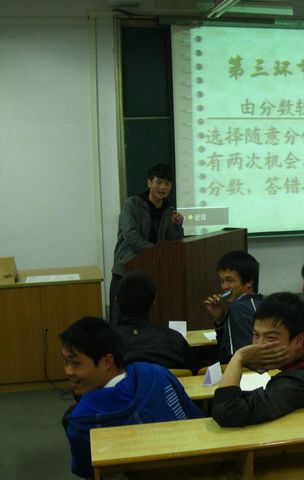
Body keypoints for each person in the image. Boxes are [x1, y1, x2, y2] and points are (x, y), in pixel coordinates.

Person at [60, 317, 202, 478]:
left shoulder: (81, 421)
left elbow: (85, 470)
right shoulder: (159, 373)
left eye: (76, 364)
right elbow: (195, 417)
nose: (68, 371)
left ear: (107, 362)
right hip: (194, 470)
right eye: (65, 362)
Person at [211, 292, 304, 427]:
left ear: (298, 340)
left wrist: (238, 358)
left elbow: (227, 411)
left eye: (270, 337)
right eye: (256, 335)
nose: (259, 345)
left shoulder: (298, 382)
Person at [109, 164, 184, 324]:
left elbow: (173, 243)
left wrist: (177, 225)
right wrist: (156, 251)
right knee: (119, 320)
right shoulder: (132, 204)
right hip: (126, 270)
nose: (162, 187)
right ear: (149, 183)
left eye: (167, 183)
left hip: (154, 273)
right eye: (159, 182)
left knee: (150, 320)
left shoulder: (169, 210)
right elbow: (131, 236)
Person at [114, 271, 194, 372]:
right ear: (153, 303)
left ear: (116, 301)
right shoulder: (175, 341)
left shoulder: (106, 345)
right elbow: (193, 373)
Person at [204, 250, 263, 364]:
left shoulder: (238, 308)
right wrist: (220, 320)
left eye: (229, 280)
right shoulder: (261, 302)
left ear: (249, 282)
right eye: (222, 281)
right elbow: (228, 345)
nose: (224, 287)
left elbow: (233, 356)